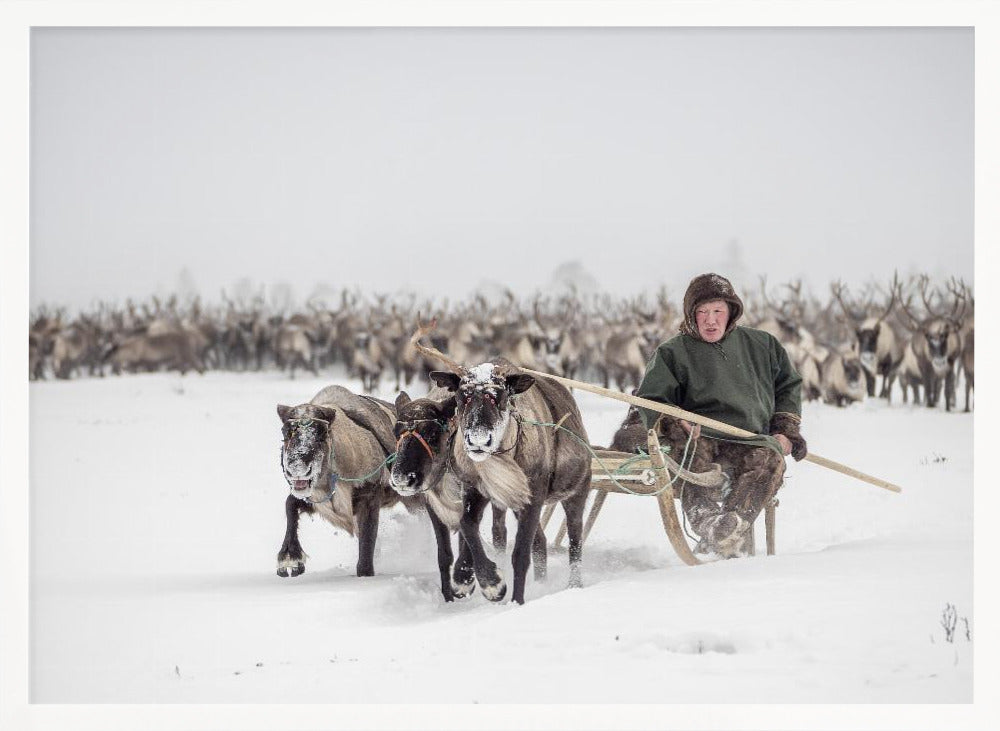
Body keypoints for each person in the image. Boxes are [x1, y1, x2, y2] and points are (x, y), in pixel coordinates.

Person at [635, 273, 808, 557]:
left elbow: (788, 386)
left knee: (770, 459)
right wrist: (676, 420)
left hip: (752, 438)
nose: (710, 320)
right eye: (702, 312)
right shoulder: (672, 353)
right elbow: (652, 400)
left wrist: (785, 430)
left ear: (731, 312)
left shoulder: (763, 345)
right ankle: (708, 524)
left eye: (718, 311)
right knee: (693, 459)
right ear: (691, 315)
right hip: (699, 436)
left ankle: (731, 526)